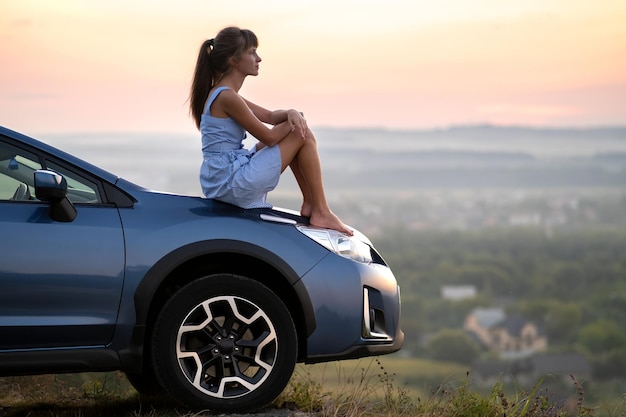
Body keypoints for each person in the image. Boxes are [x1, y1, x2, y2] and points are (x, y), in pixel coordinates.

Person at [189, 26, 353, 235]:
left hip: (226, 177)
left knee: (298, 132)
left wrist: (292, 113)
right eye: (252, 52)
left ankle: (313, 205)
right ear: (233, 60)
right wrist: (297, 119)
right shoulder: (227, 97)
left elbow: (270, 116)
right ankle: (319, 209)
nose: (259, 58)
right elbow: (269, 137)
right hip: (231, 183)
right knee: (301, 134)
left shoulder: (226, 94)